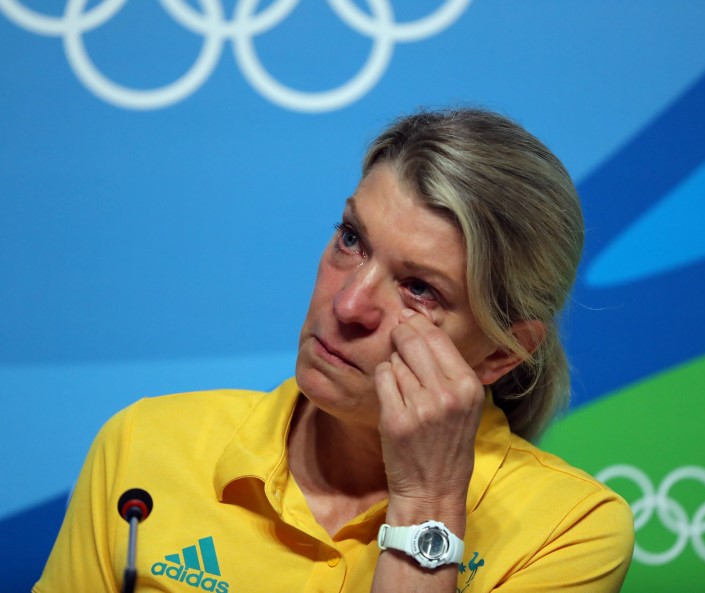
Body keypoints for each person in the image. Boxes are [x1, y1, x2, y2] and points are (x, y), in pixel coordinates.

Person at [34, 108, 633, 593]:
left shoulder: (569, 530)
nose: (349, 305)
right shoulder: (146, 446)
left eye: (419, 289)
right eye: (351, 239)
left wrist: (427, 503)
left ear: (502, 355)